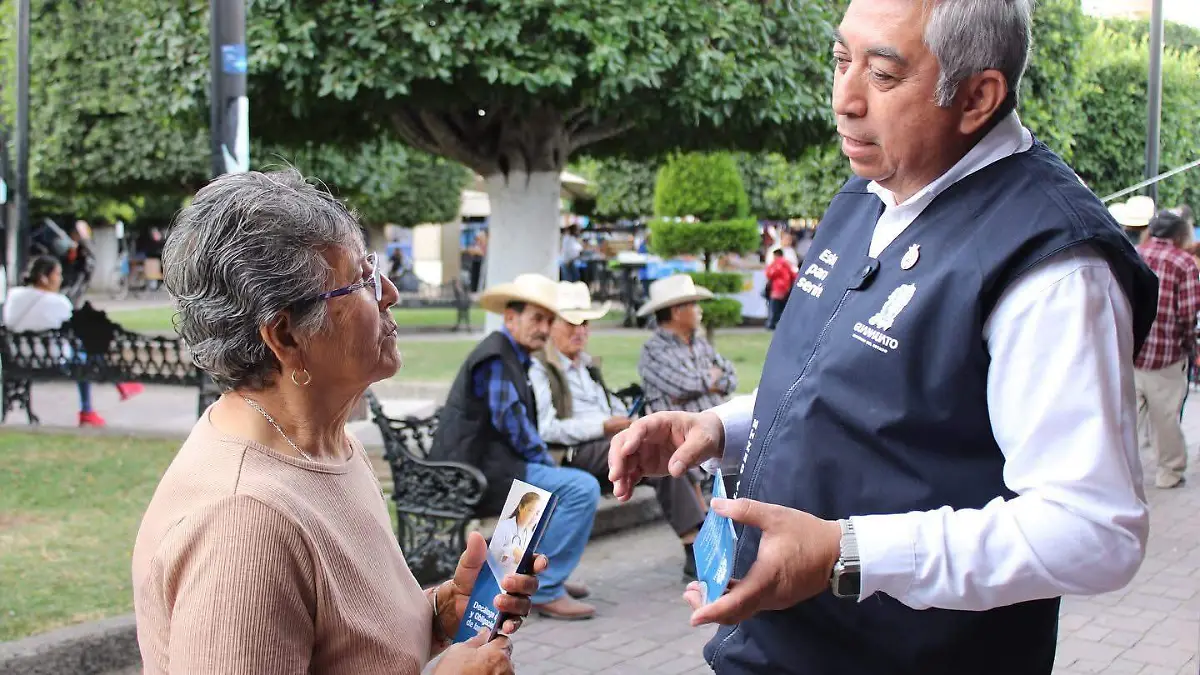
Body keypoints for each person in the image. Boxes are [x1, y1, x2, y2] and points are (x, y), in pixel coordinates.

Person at [609, 1, 1160, 673]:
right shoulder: (870, 192)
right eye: (840, 60)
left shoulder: (1052, 265)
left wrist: (847, 553)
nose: (844, 99)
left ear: (977, 97)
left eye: (882, 74)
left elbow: (1093, 530)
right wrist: (720, 428)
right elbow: (854, 386)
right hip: (776, 648)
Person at [132, 169, 543, 675]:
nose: (390, 292)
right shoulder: (244, 525)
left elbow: (349, 644)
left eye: (375, 268)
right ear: (286, 336)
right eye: (361, 281)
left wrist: (441, 613)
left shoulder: (326, 444)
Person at [429, 273, 600, 621]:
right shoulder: (497, 357)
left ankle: (523, 580)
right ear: (510, 318)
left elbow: (515, 428)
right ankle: (546, 587)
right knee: (581, 488)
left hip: (489, 466)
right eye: (537, 319)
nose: (544, 328)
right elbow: (513, 425)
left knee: (561, 483)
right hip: (471, 473)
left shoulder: (512, 356)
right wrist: (547, 463)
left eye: (548, 320)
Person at [530, 281, 708, 580]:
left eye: (585, 323)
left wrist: (624, 420)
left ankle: (702, 538)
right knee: (648, 452)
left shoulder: (586, 365)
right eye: (571, 323)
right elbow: (547, 429)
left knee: (667, 447)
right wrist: (603, 425)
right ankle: (696, 545)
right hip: (572, 451)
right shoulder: (540, 368)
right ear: (552, 326)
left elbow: (607, 406)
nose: (580, 331)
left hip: (605, 442)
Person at [2, 255, 142, 427]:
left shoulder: (13, 295)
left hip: (17, 360)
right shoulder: (58, 302)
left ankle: (118, 385)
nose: (60, 279)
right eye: (57, 274)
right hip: (54, 362)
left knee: (84, 348)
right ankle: (90, 407)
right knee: (87, 350)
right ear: (44, 278)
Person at [1134, 209, 1200, 489]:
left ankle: (1120, 474)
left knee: (1125, 418)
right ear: (1180, 234)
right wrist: (1189, 345)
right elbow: (1188, 313)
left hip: (1131, 352)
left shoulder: (1133, 253)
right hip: (1166, 355)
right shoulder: (1183, 262)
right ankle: (1169, 473)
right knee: (1166, 419)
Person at [637, 274, 738, 413]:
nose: (700, 310)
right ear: (676, 312)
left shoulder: (700, 344)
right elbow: (686, 387)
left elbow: (731, 378)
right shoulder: (653, 351)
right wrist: (713, 378)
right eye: (694, 305)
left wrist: (698, 387)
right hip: (682, 427)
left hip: (716, 421)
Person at [490, 491, 544, 577]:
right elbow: (490, 559)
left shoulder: (529, 534)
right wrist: (510, 552)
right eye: (531, 510)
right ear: (520, 507)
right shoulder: (503, 527)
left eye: (537, 513)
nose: (535, 516)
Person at [763, 248, 797, 330]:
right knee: (783, 308)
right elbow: (793, 275)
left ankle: (771, 324)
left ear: (776, 255)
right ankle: (782, 324)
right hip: (786, 289)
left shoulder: (775, 263)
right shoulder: (787, 263)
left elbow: (769, 274)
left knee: (774, 308)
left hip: (776, 289)